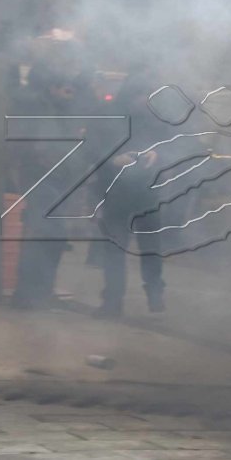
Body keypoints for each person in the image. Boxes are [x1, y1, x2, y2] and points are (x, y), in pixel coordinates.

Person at [84, 70, 166, 318]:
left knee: (151, 246)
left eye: (149, 95)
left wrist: (157, 154)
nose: (145, 100)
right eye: (142, 94)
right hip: (116, 192)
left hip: (147, 190)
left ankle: (155, 294)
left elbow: (172, 143)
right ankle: (112, 301)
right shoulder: (105, 113)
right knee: (115, 248)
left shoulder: (153, 116)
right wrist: (111, 159)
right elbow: (91, 147)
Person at [9, 66, 82, 310]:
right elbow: (42, 146)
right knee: (46, 236)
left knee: (50, 238)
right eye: (66, 88)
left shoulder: (61, 110)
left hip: (58, 181)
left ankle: (37, 292)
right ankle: (29, 295)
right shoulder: (42, 109)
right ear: (53, 88)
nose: (71, 92)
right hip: (44, 180)